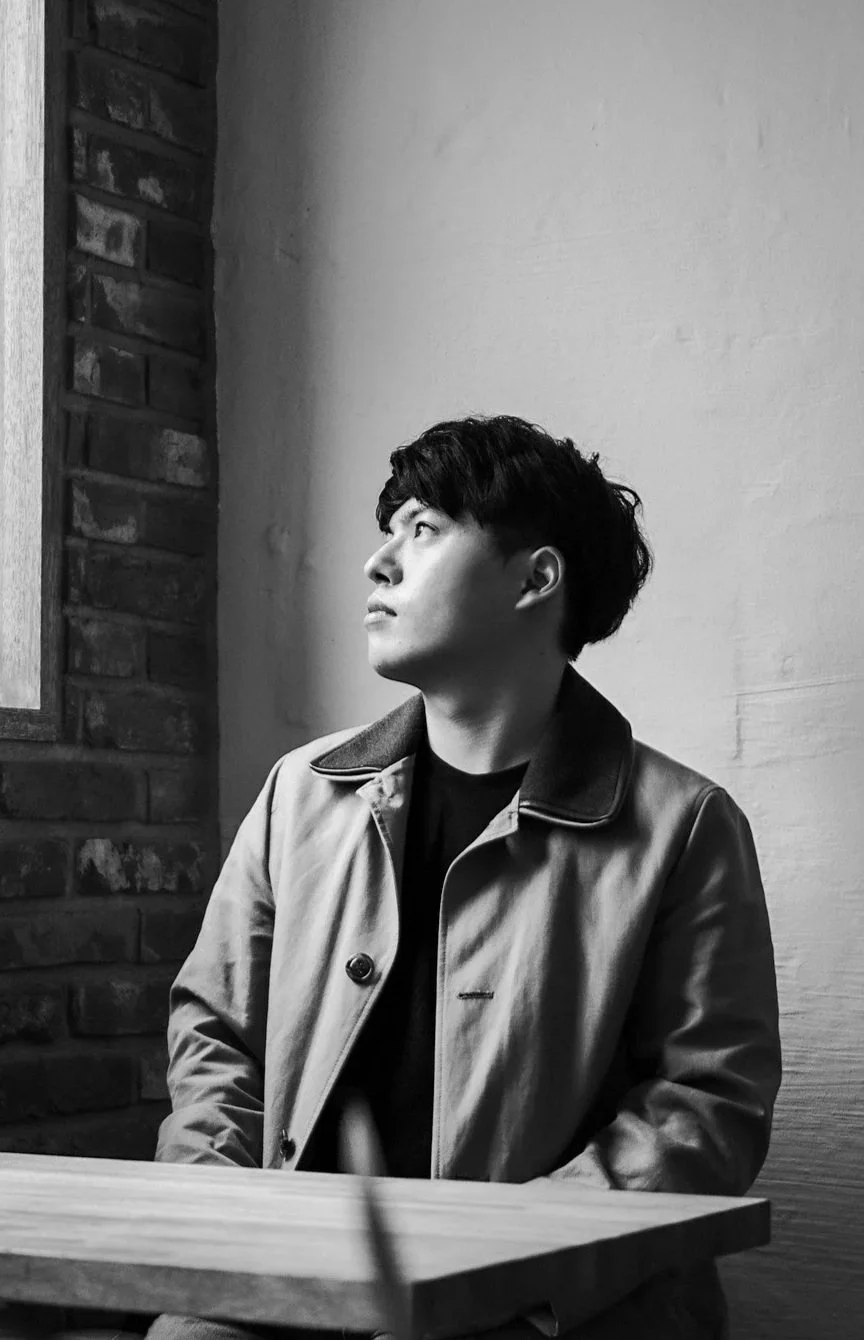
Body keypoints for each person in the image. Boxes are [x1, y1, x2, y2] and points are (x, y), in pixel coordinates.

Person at [148, 415, 781, 1340]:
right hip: (280, 1281)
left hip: (546, 1305)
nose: (379, 562)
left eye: (423, 529)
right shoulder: (302, 793)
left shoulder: (685, 826)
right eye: (388, 528)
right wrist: (229, 1235)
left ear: (536, 578)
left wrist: (501, 1268)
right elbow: (215, 1033)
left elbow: (704, 1110)